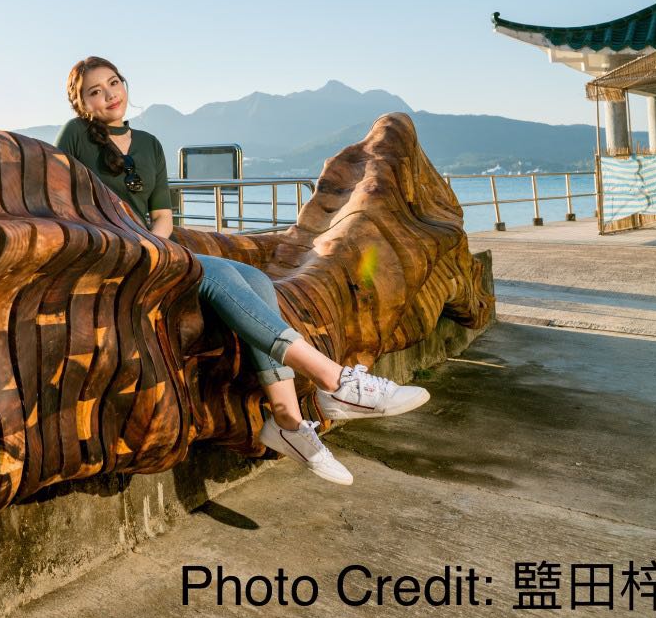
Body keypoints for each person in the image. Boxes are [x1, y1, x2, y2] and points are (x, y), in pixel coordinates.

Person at [56, 56, 428, 486]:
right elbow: (71, 206)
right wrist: (137, 247)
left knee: (254, 280)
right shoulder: (76, 137)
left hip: (156, 250)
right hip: (113, 255)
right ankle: (333, 380)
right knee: (217, 277)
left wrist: (158, 245)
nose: (109, 95)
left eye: (113, 82)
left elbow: (162, 213)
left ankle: (287, 422)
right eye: (95, 92)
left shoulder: (150, 144)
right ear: (82, 104)